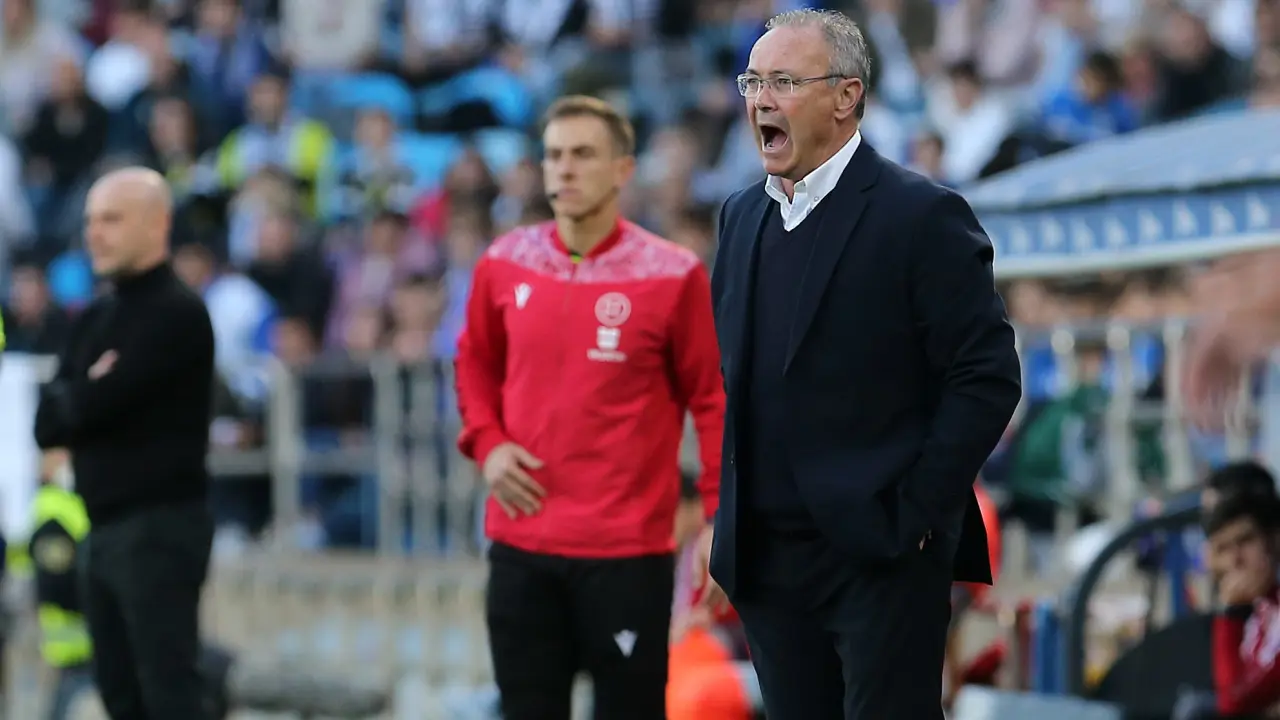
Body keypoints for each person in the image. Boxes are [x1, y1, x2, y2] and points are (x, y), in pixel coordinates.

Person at [694, 9, 1021, 720]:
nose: (761, 100)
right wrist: (725, 519)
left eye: (784, 81)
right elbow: (739, 382)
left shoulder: (921, 214)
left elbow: (986, 376)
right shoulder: (739, 217)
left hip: (881, 556)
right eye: (753, 82)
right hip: (769, 562)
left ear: (846, 96)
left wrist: (917, 510)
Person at [455, 95, 725, 720]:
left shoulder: (672, 275)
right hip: (522, 542)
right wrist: (488, 444)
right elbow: (473, 364)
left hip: (627, 552)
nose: (565, 169)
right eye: (554, 155)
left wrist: (718, 518)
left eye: (582, 154)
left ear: (622, 170)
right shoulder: (503, 263)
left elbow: (712, 402)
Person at [33, 167, 216, 719]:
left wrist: (84, 395)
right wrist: (88, 392)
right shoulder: (95, 316)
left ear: (157, 223)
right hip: (101, 529)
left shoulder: (177, 313)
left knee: (168, 694)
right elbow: (47, 423)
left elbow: (91, 405)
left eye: (111, 219)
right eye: (91, 221)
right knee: (119, 696)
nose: (95, 233)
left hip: (159, 527)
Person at [1172, 492, 1280, 719]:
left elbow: (1234, 702)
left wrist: (1229, 613)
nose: (1235, 559)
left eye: (1246, 541)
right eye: (1223, 549)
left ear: (1273, 540)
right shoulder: (1259, 609)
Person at [29, 448, 95, 720]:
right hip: (76, 649)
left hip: (91, 647)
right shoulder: (52, 512)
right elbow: (55, 586)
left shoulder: (73, 502)